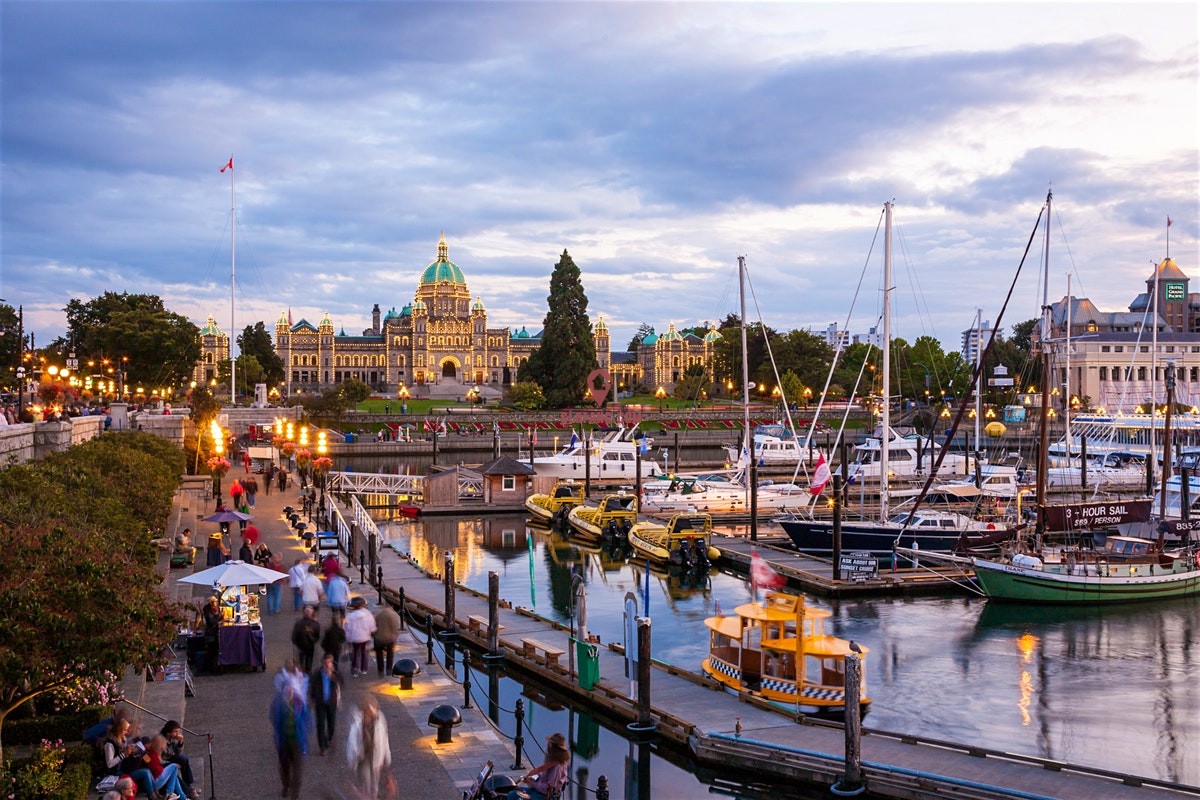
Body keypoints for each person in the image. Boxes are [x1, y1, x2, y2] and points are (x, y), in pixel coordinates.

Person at [269, 684, 310, 800]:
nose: (291, 691)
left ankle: (295, 795)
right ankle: (286, 785)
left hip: (298, 741)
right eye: (288, 689)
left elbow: (307, 719)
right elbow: (273, 717)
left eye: (293, 689)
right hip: (284, 741)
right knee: (285, 766)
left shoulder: (300, 703)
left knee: (298, 770)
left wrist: (305, 734)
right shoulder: (279, 703)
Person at [346, 696, 390, 799]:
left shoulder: (379, 720)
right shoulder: (357, 723)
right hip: (363, 757)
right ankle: (367, 795)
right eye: (370, 711)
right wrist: (352, 759)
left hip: (376, 756)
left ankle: (373, 796)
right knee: (366, 781)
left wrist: (387, 757)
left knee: (375, 783)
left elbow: (384, 739)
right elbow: (351, 742)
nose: (373, 714)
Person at [508, 733, 570, 800]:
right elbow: (542, 776)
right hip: (538, 791)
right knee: (512, 792)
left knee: (514, 796)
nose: (547, 745)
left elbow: (547, 789)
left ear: (553, 746)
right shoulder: (553, 761)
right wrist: (531, 778)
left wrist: (532, 783)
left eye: (549, 743)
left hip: (545, 796)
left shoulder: (557, 767)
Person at [308, 653, 343, 755]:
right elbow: (312, 685)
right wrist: (312, 697)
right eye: (326, 663)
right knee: (320, 725)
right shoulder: (318, 673)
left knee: (331, 723)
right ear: (323, 663)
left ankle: (330, 738)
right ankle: (322, 747)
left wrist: (332, 676)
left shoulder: (335, 672)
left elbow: (341, 682)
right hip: (320, 702)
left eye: (330, 662)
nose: (328, 665)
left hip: (331, 702)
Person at [146, 735, 190, 800]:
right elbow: (157, 770)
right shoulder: (152, 754)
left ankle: (183, 798)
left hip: (154, 780)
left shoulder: (149, 752)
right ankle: (169, 793)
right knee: (174, 766)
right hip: (156, 781)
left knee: (174, 777)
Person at [343, 597, 376, 678]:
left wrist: (347, 638)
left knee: (355, 653)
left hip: (354, 638)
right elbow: (372, 626)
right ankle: (364, 669)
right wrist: (372, 632)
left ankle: (355, 670)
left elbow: (348, 628)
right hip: (365, 637)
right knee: (364, 653)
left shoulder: (350, 616)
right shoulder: (368, 614)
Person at [160, 721, 194, 793]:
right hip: (163, 761)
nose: (177, 734)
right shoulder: (160, 741)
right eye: (175, 731)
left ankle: (189, 784)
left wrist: (180, 742)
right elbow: (159, 759)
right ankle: (187, 789)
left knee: (183, 758)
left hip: (169, 757)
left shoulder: (172, 738)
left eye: (178, 731)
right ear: (168, 732)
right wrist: (172, 764)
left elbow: (178, 753)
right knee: (174, 768)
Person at [372, 602, 402, 677]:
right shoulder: (395, 615)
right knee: (390, 653)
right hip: (390, 639)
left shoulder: (380, 614)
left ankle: (380, 671)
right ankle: (389, 670)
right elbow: (396, 629)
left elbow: (375, 626)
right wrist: (395, 637)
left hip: (379, 638)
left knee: (379, 654)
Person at [291, 607, 321, 673]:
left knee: (300, 659)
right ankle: (308, 671)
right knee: (309, 659)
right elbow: (317, 636)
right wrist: (313, 641)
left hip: (300, 645)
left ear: (304, 614)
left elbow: (294, 636)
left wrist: (296, 642)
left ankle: (301, 670)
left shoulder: (298, 624)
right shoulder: (315, 624)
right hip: (310, 645)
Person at [201, 596, 221, 673]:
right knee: (212, 650)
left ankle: (212, 665)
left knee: (214, 649)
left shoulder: (213, 609)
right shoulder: (208, 610)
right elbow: (211, 621)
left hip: (212, 632)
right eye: (215, 602)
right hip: (210, 633)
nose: (216, 603)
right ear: (212, 603)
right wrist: (218, 617)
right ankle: (210, 667)